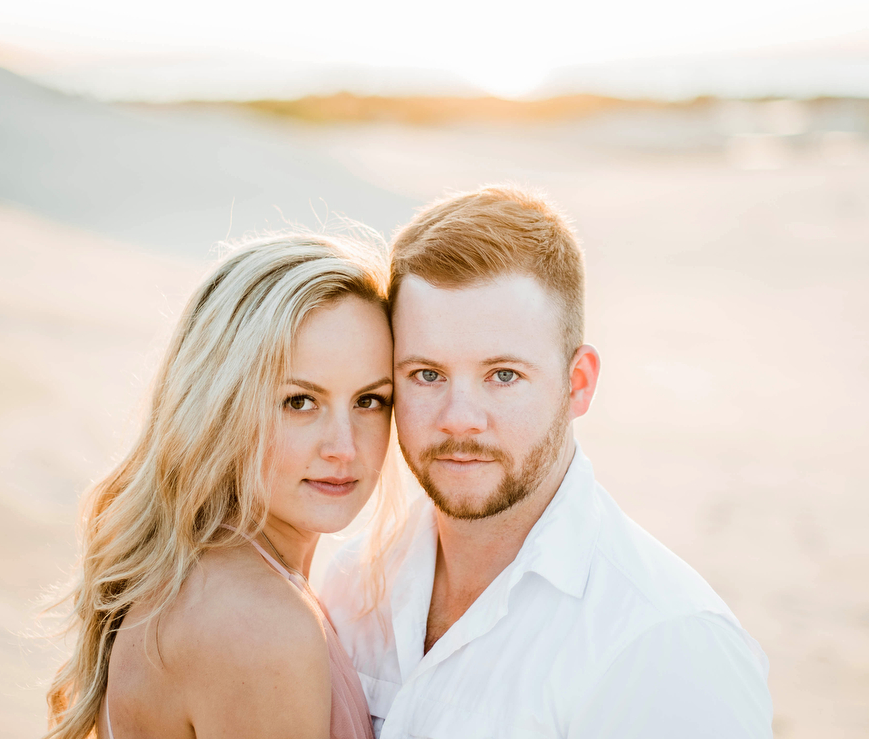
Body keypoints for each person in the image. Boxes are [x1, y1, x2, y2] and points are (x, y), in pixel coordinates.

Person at [322, 186, 773, 738]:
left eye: (503, 375)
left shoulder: (665, 641)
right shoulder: (351, 583)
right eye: (427, 374)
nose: (460, 418)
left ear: (577, 385)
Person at [45, 232, 401, 739]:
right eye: (299, 401)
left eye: (369, 401)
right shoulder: (260, 625)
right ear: (221, 404)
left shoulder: (198, 575)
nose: (344, 447)